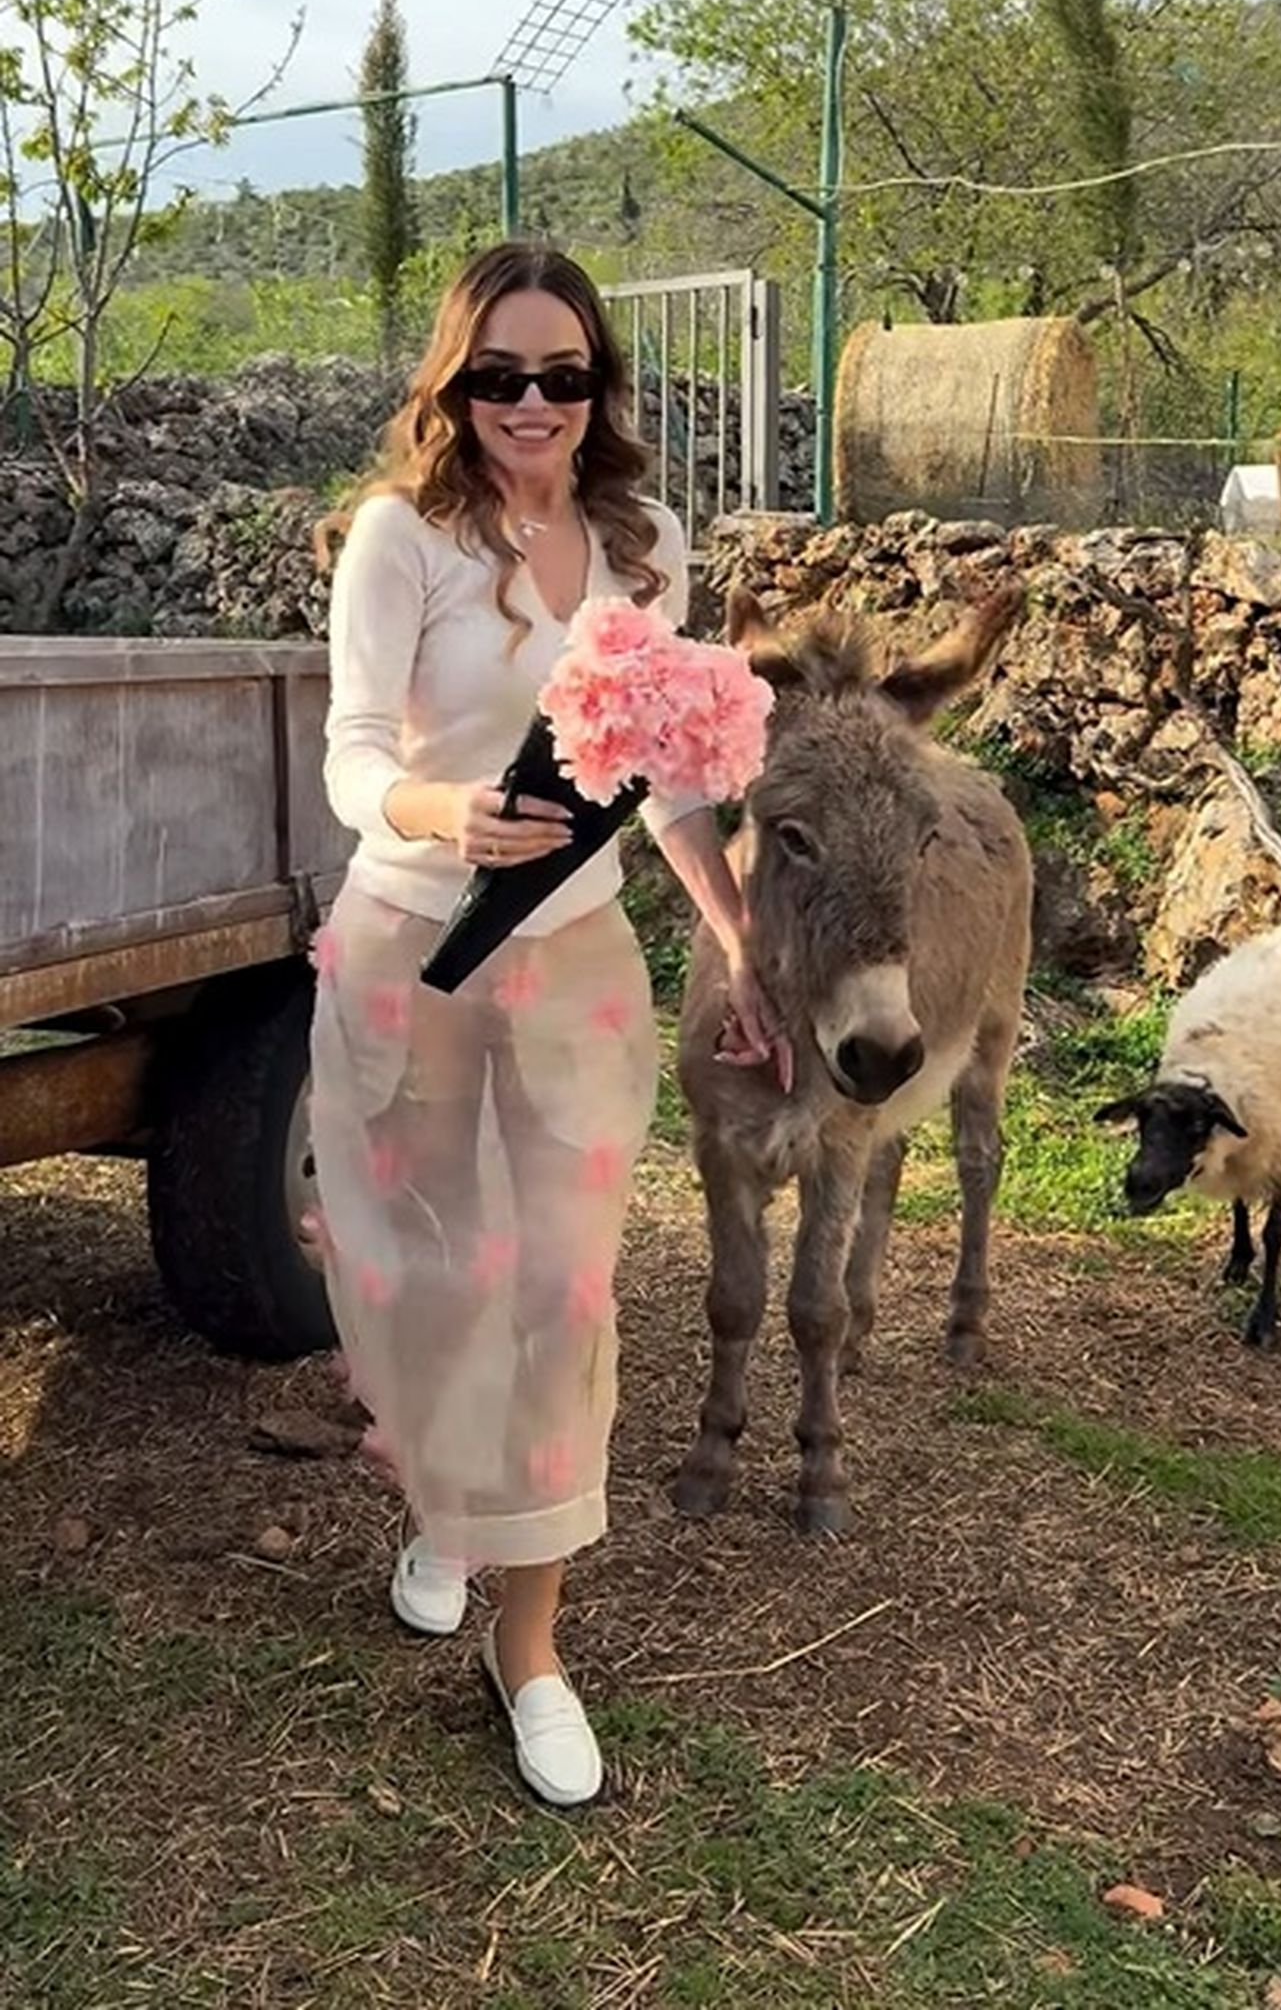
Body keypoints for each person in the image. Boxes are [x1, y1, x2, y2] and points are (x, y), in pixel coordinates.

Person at [309, 240, 782, 1807]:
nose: (531, 402)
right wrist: (442, 809)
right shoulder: (403, 538)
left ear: (599, 387)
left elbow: (672, 783)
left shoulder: (645, 548)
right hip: (414, 950)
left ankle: (531, 1646)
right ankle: (451, 1512)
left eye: (562, 375)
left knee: (564, 1291)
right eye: (501, 375)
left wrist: (742, 949)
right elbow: (351, 753)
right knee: (444, 1274)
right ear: (459, 384)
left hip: (575, 961)